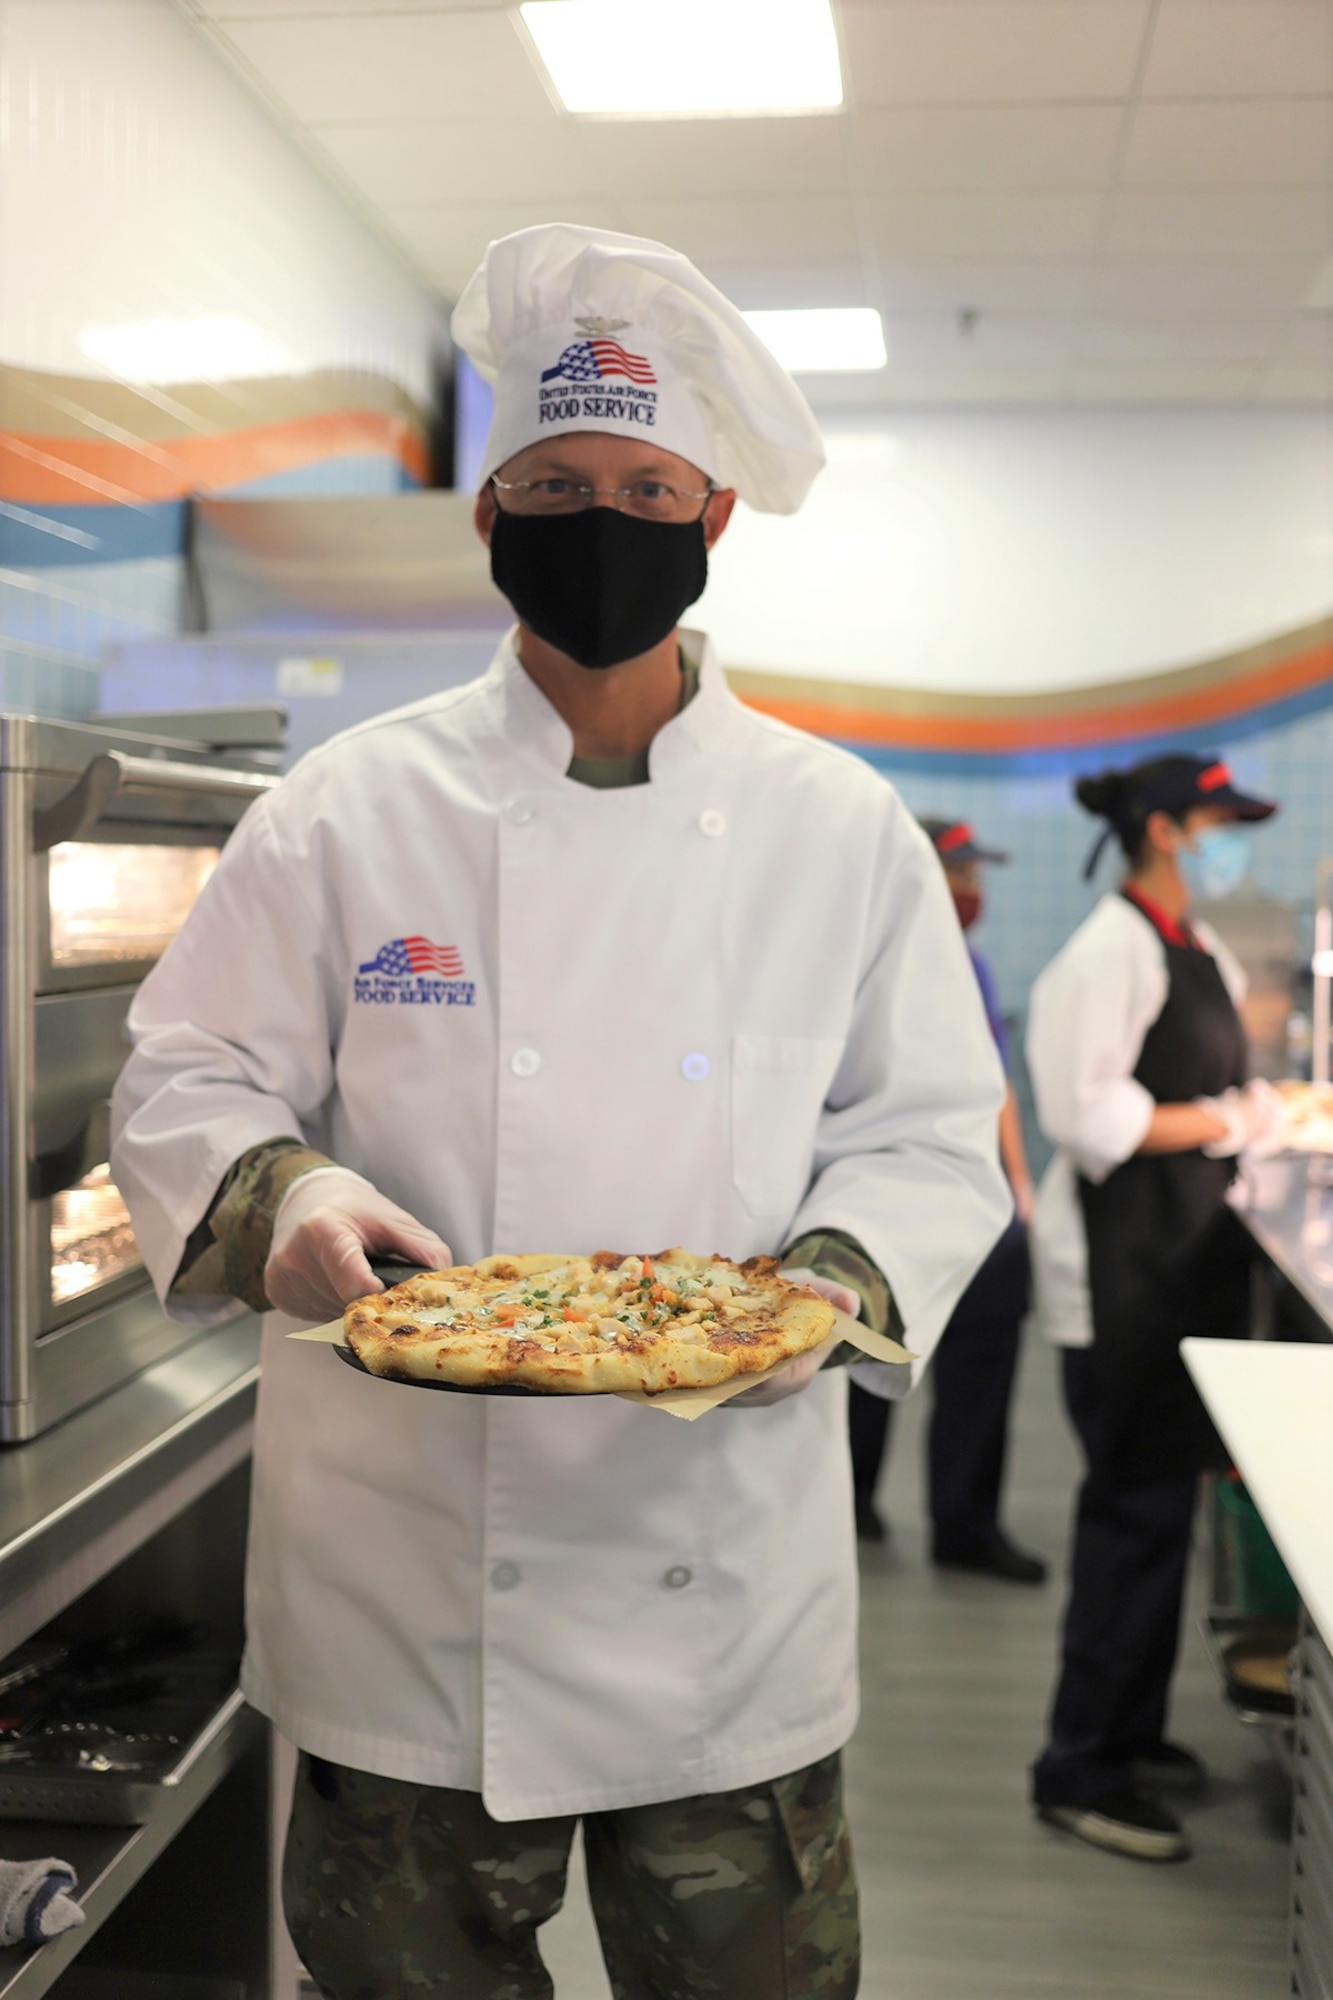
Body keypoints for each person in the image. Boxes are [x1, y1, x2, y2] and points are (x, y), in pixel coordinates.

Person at [111, 224, 1010, 1999]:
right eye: (554, 481)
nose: (598, 518)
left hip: (718, 1564)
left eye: (641, 483)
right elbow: (186, 1070)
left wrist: (824, 1279)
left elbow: (923, 1125)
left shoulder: (836, 826)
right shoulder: (345, 810)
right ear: (490, 516)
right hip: (415, 1568)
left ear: (711, 520)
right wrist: (284, 1198)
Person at [1027, 754, 1284, 1863]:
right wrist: (1232, 1119)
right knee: (1126, 1518)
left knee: (1158, 1516)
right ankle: (1078, 1763)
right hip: (1121, 1278)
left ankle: (1128, 1732)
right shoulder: (1108, 949)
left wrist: (1245, 1110)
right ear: (1169, 830)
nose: (1236, 840)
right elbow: (1088, 1116)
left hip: (1180, 1270)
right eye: (1223, 821)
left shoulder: (1194, 945)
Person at [848, 818, 1047, 1585]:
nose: (973, 891)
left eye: (976, 875)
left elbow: (989, 1083)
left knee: (978, 1365)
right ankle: (854, 1498)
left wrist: (1015, 1182)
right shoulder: (871, 959)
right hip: (884, 1194)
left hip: (975, 1196)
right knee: (870, 1342)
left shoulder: (974, 966)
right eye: (959, 873)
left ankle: (963, 1523)